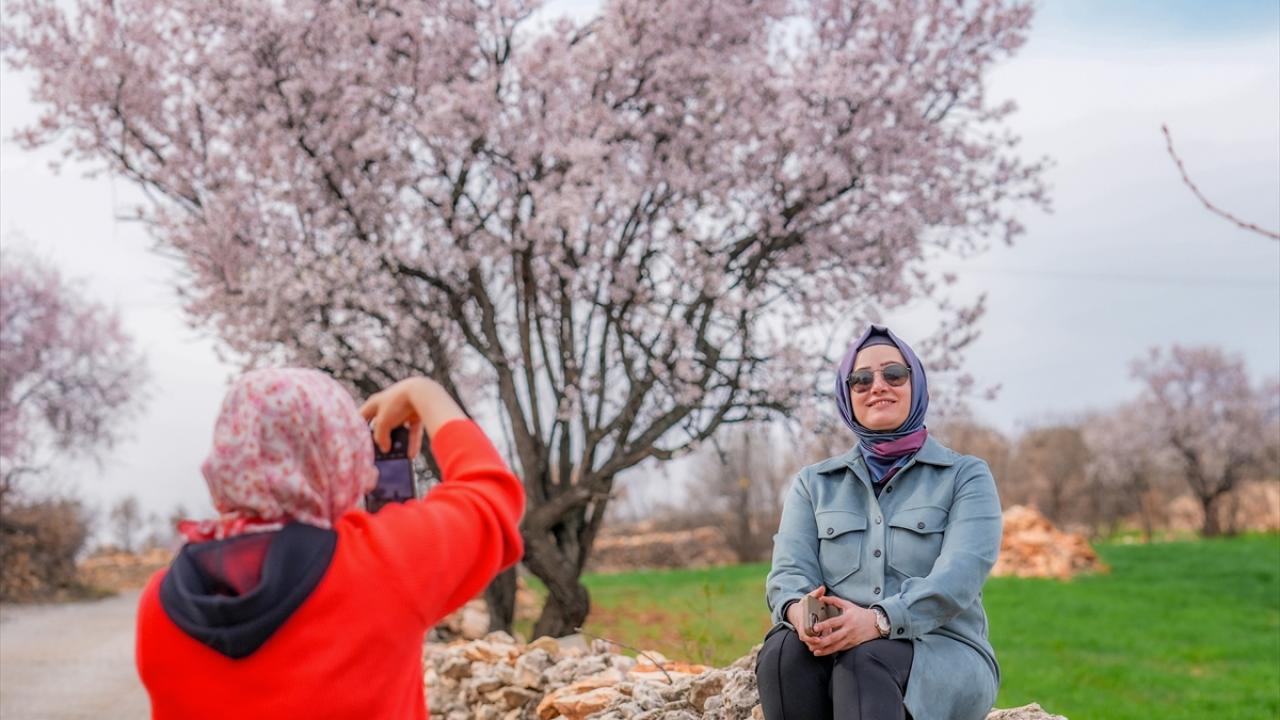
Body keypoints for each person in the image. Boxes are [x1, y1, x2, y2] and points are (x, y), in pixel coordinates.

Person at [135, 369, 524, 719]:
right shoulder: (385, 564)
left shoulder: (159, 604)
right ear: (342, 457)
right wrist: (425, 391)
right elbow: (492, 497)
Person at [756, 325, 1002, 720]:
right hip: (835, 650)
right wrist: (797, 612)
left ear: (915, 384)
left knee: (864, 662)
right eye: (861, 379)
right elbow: (789, 573)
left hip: (940, 653)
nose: (878, 386)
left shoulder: (965, 476)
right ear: (846, 394)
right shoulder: (813, 483)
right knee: (783, 654)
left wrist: (878, 621)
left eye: (894, 374)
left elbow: (959, 577)